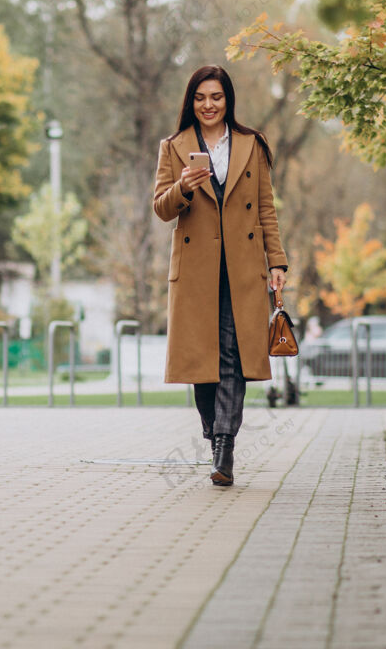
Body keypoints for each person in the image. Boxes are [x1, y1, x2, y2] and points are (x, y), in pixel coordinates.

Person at [152, 65, 288, 486]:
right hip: (196, 271)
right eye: (200, 98)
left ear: (228, 100)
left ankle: (224, 447)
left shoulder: (251, 145)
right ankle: (213, 431)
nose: (208, 105)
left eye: (216, 97)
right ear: (190, 102)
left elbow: (266, 208)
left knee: (232, 357)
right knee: (202, 363)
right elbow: (161, 208)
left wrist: (277, 262)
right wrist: (185, 186)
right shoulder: (174, 147)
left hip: (242, 266)